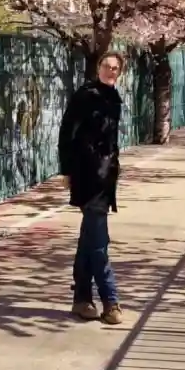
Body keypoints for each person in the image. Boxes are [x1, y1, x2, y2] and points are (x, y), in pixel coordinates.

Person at [58, 51, 125, 325]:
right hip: (87, 175)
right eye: (107, 66)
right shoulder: (85, 96)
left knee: (89, 240)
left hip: (106, 177)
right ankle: (110, 300)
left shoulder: (114, 98)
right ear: (98, 67)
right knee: (99, 242)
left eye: (116, 68)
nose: (111, 71)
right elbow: (66, 132)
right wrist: (66, 170)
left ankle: (82, 298)